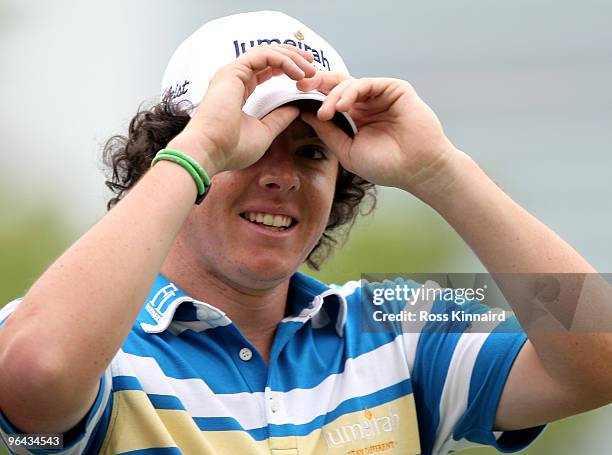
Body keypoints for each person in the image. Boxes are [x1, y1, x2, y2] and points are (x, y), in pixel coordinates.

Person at [0, 10, 610, 455]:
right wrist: (199, 149)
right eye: (247, 144)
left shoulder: (397, 319)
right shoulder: (81, 332)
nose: (280, 177)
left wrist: (440, 170)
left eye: (312, 153)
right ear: (176, 157)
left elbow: (599, 349)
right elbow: (35, 374)